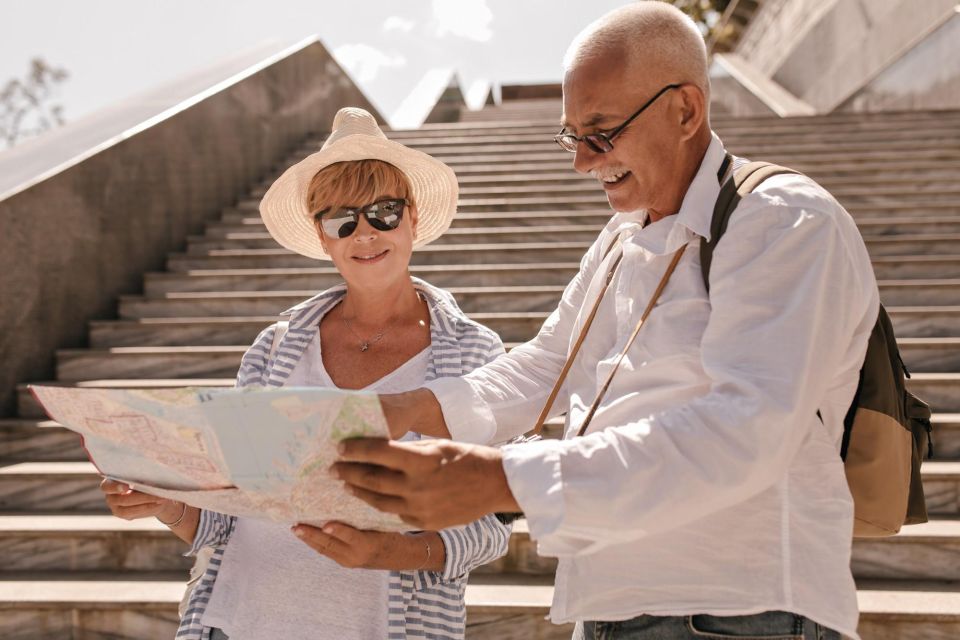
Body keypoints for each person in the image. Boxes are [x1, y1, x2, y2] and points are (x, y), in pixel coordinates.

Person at [330, 4, 879, 640]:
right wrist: (401, 410)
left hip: (741, 609)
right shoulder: (621, 238)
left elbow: (747, 427)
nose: (583, 162)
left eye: (601, 132)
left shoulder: (782, 220)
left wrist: (499, 479)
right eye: (571, 136)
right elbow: (549, 362)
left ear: (685, 111)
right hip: (610, 604)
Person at [99, 107, 511, 640]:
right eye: (342, 219)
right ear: (323, 238)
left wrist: (392, 551)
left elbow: (495, 518)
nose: (364, 233)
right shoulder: (273, 348)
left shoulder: (475, 351)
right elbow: (228, 512)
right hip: (236, 621)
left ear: (412, 218)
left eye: (382, 212)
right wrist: (169, 504)